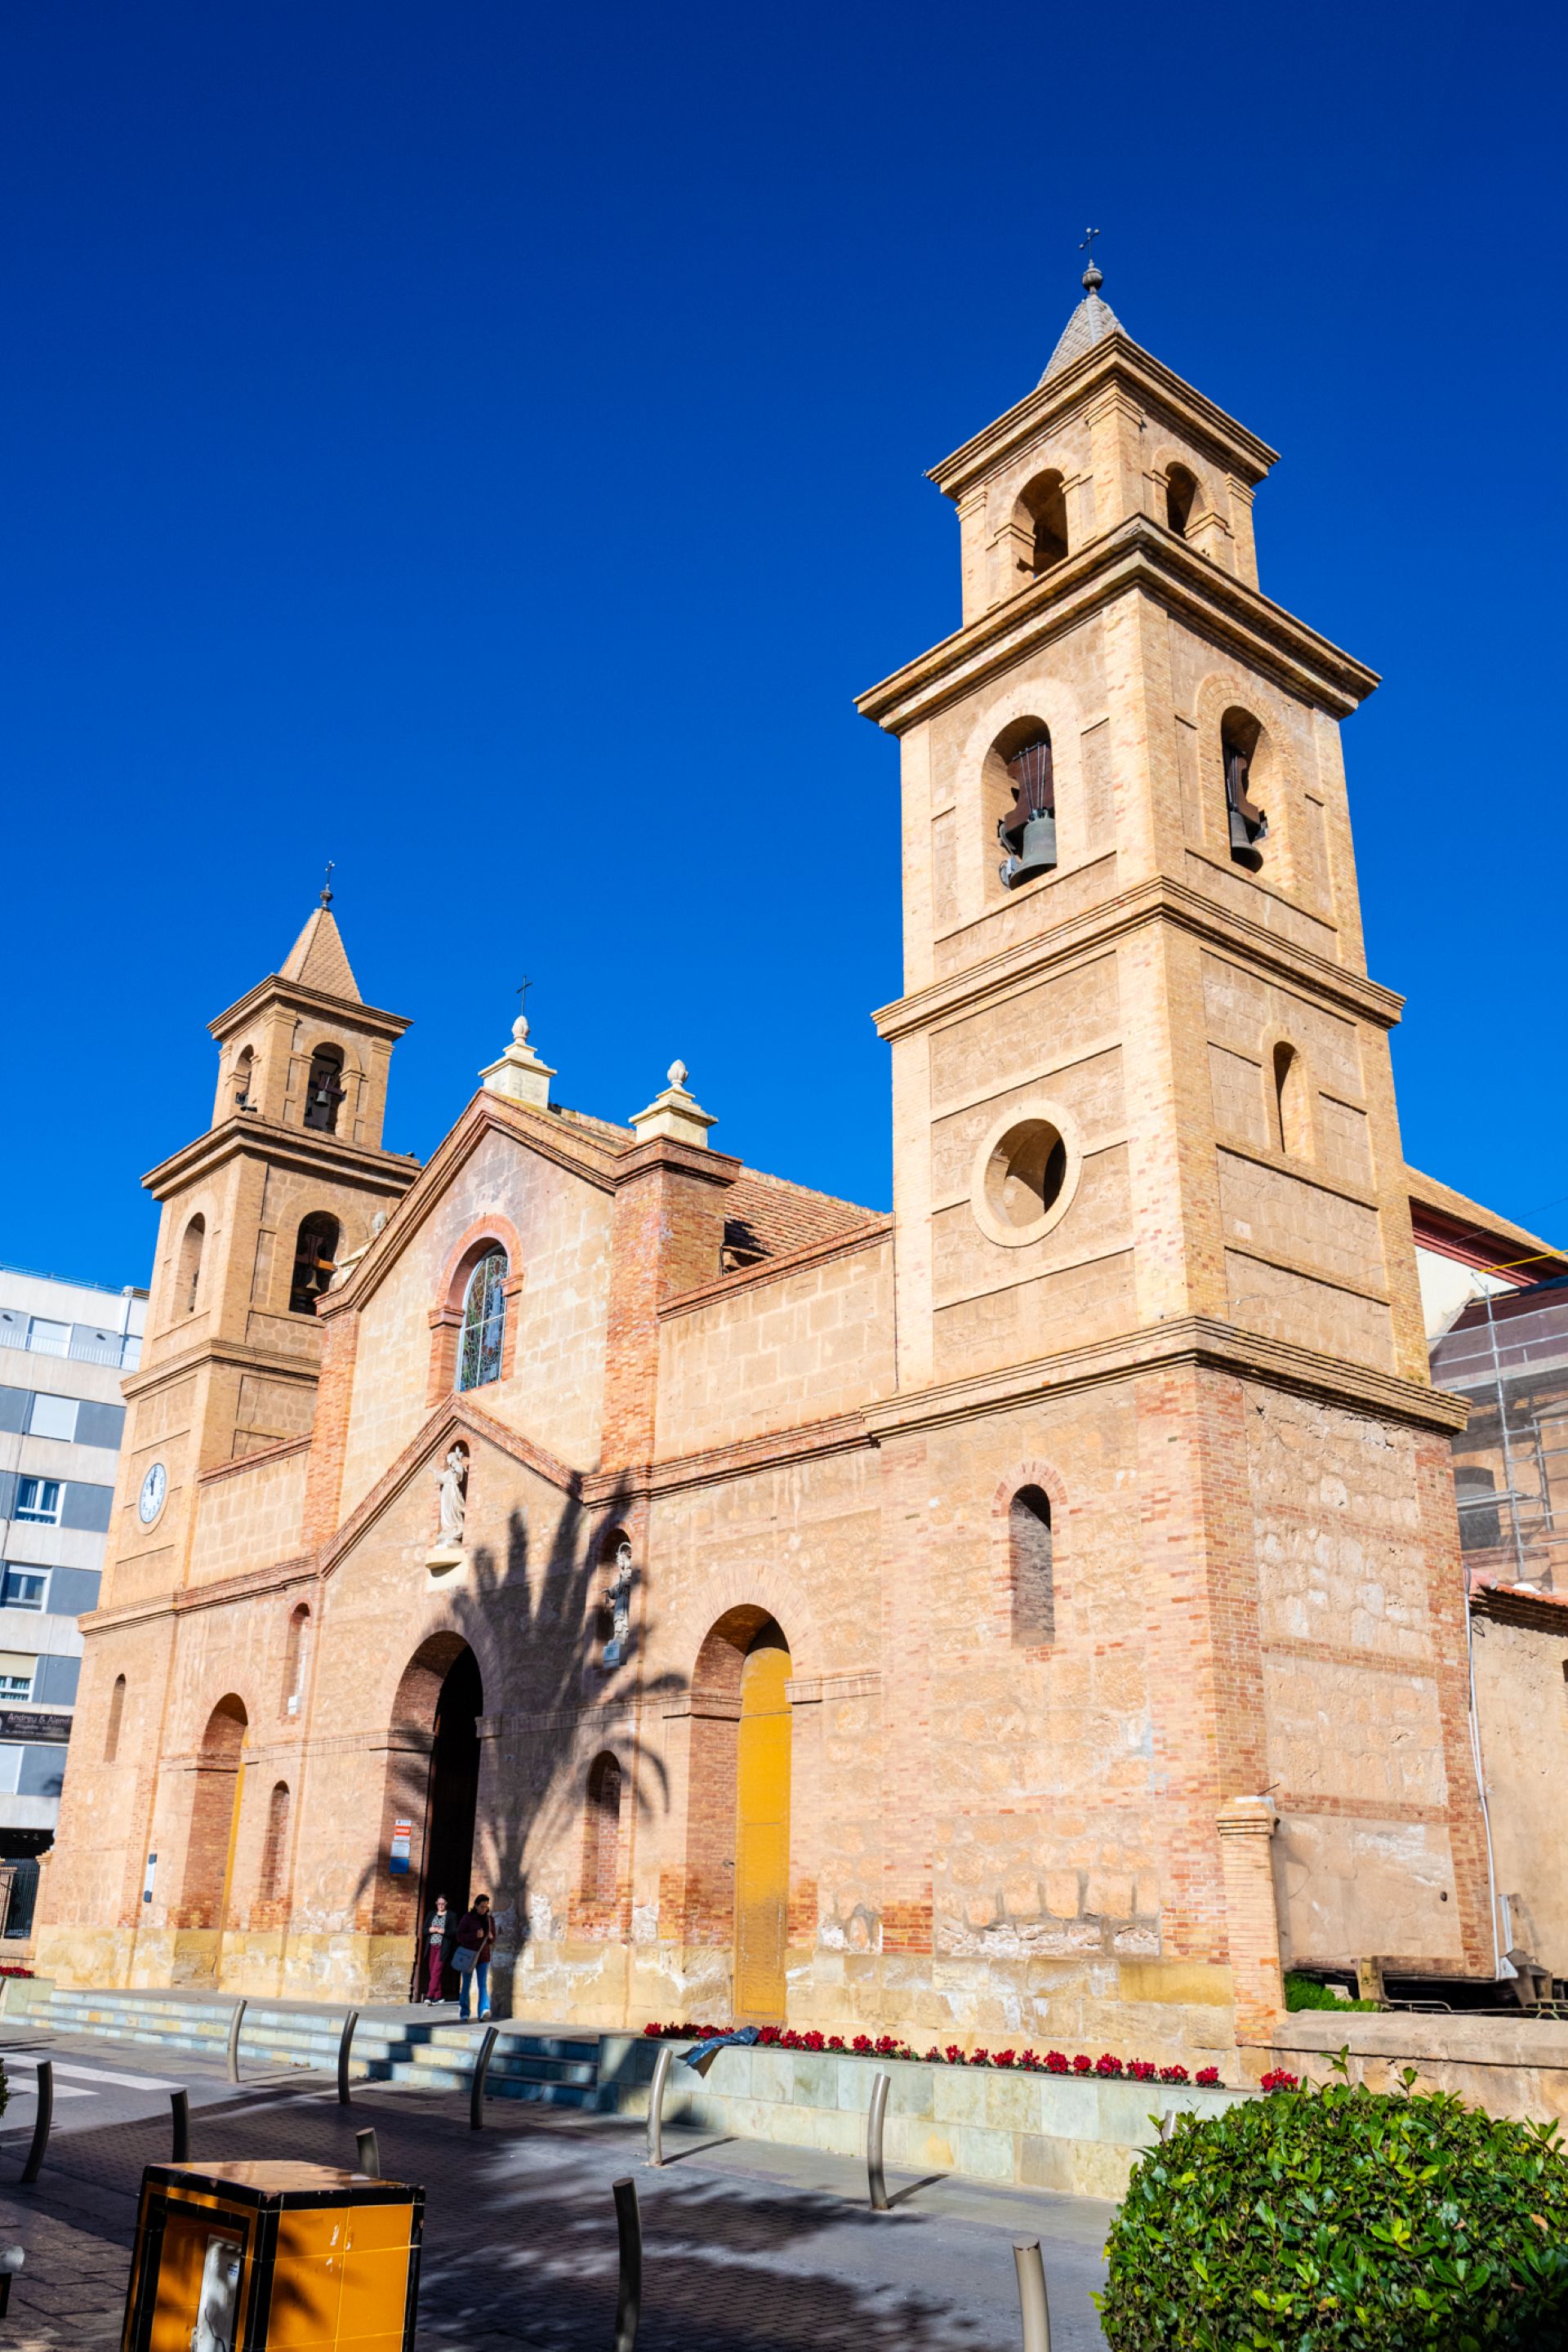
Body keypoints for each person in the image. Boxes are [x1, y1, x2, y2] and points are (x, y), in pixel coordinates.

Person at [452, 1893, 497, 2021]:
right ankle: (464, 2012)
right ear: (476, 1906)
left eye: (486, 1907)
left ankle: (483, 2010)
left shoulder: (490, 1920)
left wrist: (491, 1938)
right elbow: (459, 1936)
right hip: (468, 1956)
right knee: (466, 1984)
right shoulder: (468, 1918)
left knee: (482, 1984)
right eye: (482, 1906)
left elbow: (493, 1939)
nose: (484, 1909)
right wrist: (474, 1935)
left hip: (483, 1957)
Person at [425, 1895, 450, 2004]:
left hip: (442, 1947)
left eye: (442, 1904)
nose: (440, 1906)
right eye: (438, 1904)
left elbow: (455, 1932)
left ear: (446, 1904)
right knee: (432, 1971)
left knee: (436, 1971)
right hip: (431, 1946)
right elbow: (424, 1929)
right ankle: (438, 1996)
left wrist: (444, 1931)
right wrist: (431, 1929)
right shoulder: (431, 1914)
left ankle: (429, 1996)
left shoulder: (451, 1916)